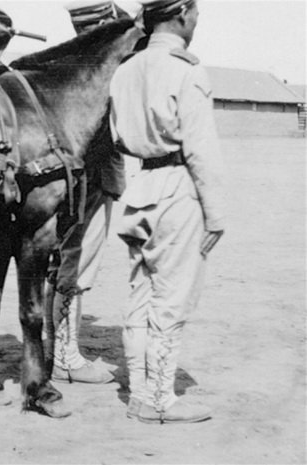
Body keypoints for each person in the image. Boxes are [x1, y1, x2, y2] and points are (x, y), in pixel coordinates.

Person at [109, 0, 225, 423]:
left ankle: (139, 392)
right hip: (177, 187)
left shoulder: (125, 70)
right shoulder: (186, 69)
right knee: (172, 299)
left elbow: (118, 137)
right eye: (195, 12)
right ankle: (159, 401)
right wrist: (215, 213)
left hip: (139, 185)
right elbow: (200, 148)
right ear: (180, 14)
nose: (197, 20)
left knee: (141, 293)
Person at [47, 0, 127, 385]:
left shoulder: (68, 68)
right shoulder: (103, 72)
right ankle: (64, 357)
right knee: (74, 268)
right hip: (89, 182)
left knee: (58, 264)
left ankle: (56, 349)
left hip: (69, 180)